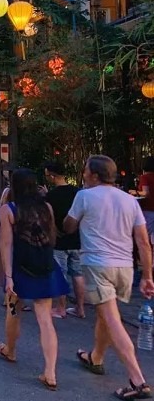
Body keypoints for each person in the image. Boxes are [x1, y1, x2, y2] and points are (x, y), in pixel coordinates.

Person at [64, 155, 154, 400]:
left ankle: (137, 380)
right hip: (124, 268)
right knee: (106, 316)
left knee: (113, 320)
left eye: (85, 171)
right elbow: (144, 242)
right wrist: (147, 275)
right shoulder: (130, 200)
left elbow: (69, 226)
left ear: (94, 175)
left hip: (97, 265)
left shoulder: (84, 196)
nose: (83, 175)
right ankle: (96, 358)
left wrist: (70, 219)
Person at [0, 168, 68, 392]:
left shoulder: (9, 210)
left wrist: (8, 277)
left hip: (21, 268)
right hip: (45, 265)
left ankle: (10, 349)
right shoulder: (46, 207)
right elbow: (51, 237)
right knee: (45, 319)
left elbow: (6, 245)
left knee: (13, 310)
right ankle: (50, 372)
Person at [42, 161, 85, 319]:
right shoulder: (78, 193)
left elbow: (47, 219)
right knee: (78, 274)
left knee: (60, 274)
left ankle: (61, 307)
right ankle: (80, 308)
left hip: (59, 240)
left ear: (52, 176)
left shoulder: (50, 196)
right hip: (77, 239)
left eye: (47, 175)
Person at [137, 156, 154, 245]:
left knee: (147, 237)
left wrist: (135, 192)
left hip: (148, 210)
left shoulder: (145, 177)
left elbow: (145, 193)